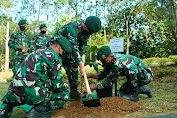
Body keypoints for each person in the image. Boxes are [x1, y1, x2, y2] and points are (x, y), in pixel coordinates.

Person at [0, 36, 72, 118]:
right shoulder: (55, 57)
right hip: (32, 95)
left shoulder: (36, 52)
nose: (63, 54)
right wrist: (66, 86)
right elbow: (57, 85)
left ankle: (3, 113)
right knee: (65, 94)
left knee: (8, 101)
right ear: (60, 47)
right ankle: (37, 112)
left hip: (14, 91)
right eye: (64, 51)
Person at [47, 16, 102, 99]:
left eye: (91, 33)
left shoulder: (87, 31)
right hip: (56, 48)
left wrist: (82, 63)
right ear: (84, 24)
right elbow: (74, 48)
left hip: (68, 50)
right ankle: (51, 93)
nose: (89, 34)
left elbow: (83, 47)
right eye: (89, 31)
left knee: (74, 66)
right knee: (55, 69)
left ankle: (74, 92)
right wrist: (81, 65)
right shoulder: (73, 27)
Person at [83, 46, 153, 102]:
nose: (103, 63)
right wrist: (88, 76)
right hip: (138, 77)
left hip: (146, 76)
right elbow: (103, 74)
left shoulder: (117, 64)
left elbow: (108, 82)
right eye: (102, 61)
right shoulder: (110, 60)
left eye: (105, 61)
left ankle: (134, 95)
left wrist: (90, 89)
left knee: (129, 68)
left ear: (111, 56)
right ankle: (142, 89)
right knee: (120, 94)